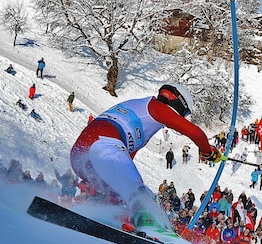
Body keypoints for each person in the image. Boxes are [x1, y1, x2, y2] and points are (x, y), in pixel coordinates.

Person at [70, 84, 220, 232]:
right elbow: (196, 133)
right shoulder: (156, 107)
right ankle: (152, 228)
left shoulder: (143, 119)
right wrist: (208, 151)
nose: (182, 117)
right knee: (140, 194)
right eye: (184, 113)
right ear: (178, 102)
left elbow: (125, 163)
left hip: (82, 157)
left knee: (126, 193)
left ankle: (106, 216)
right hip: (103, 141)